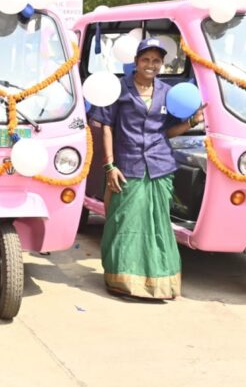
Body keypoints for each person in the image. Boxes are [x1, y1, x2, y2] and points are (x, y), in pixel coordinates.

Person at [91, 38, 205, 300]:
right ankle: (121, 280)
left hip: (159, 166)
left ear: (162, 64)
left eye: (156, 60)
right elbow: (107, 126)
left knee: (157, 224)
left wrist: (191, 121)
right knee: (124, 223)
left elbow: (168, 131)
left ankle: (159, 283)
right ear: (136, 62)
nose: (150, 65)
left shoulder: (168, 92)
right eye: (145, 59)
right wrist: (109, 166)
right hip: (127, 166)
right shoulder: (119, 89)